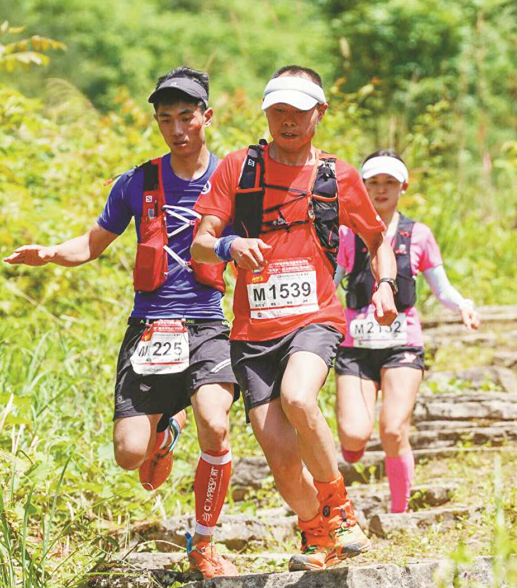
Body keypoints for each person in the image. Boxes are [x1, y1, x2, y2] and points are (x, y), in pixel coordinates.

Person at [4, 67, 239, 579]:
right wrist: (49, 253)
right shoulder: (136, 182)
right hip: (151, 327)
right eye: (165, 119)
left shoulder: (231, 179)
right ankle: (164, 431)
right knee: (131, 457)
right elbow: (92, 243)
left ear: (207, 117)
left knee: (216, 425)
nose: (176, 129)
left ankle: (203, 541)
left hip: (206, 324)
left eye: (186, 117)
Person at [191, 66, 398, 571]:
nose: (287, 121)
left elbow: (377, 241)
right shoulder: (239, 168)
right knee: (280, 458)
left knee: (299, 396)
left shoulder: (339, 176)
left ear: (319, 114)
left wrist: (386, 286)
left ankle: (340, 509)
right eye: (278, 111)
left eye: (298, 112)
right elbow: (199, 241)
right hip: (252, 331)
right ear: (266, 113)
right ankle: (315, 531)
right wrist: (229, 244)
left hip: (315, 317)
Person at [333, 150, 480, 514]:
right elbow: (330, 283)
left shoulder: (419, 235)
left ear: (403, 187)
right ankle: (352, 448)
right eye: (374, 183)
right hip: (356, 347)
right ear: (363, 187)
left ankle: (399, 513)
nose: (381, 190)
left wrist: (462, 305)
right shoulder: (348, 235)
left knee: (394, 429)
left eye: (389, 183)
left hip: (402, 344)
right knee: (354, 436)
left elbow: (441, 288)